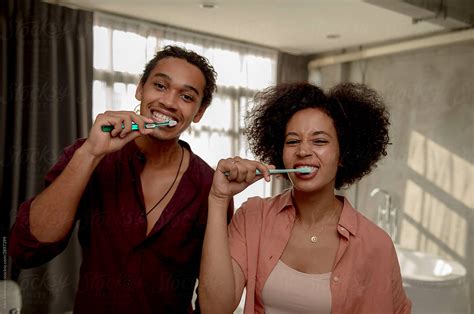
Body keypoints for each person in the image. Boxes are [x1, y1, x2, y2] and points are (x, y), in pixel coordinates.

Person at [9, 45, 232, 313]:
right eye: (160, 86)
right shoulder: (89, 154)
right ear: (140, 89)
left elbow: (213, 299)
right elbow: (26, 248)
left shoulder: (210, 187)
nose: (169, 102)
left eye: (186, 96)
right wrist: (90, 153)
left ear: (199, 112)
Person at [199, 82, 411, 313]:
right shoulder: (253, 216)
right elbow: (214, 309)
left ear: (343, 154)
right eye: (292, 141)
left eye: (319, 141)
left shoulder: (375, 244)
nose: (303, 151)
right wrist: (219, 199)